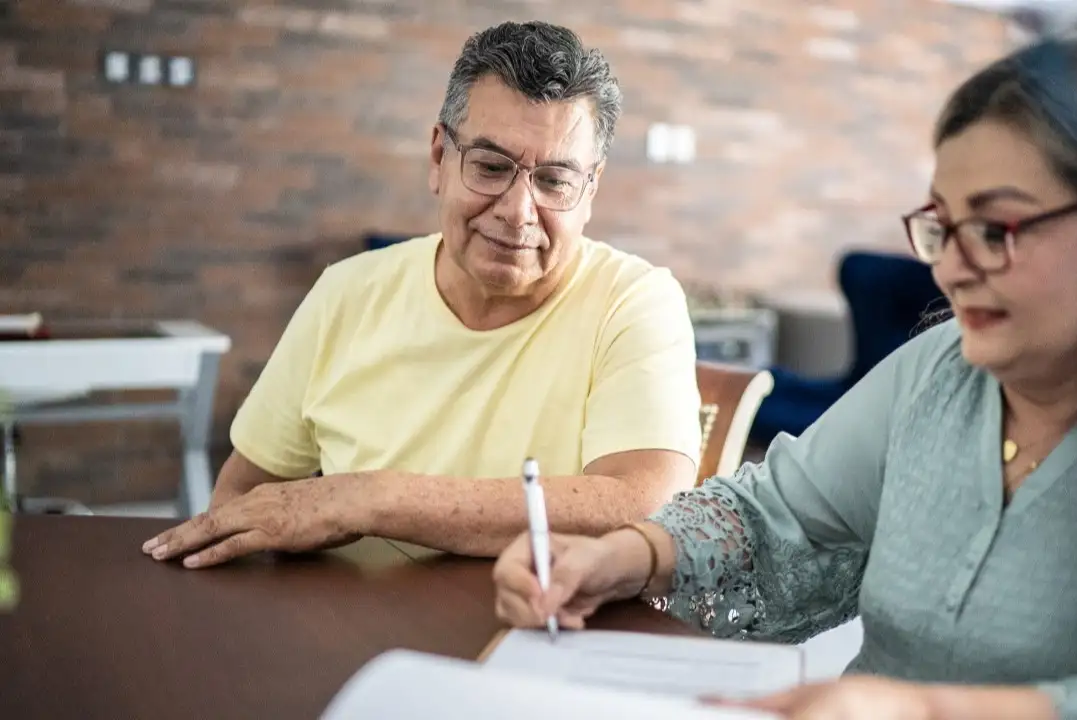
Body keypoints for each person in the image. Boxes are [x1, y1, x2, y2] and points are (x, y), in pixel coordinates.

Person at [493, 19, 1077, 720]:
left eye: (993, 229)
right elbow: (775, 515)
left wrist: (920, 711)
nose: (951, 269)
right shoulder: (937, 372)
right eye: (942, 226)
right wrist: (622, 557)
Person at [140, 21, 703, 567]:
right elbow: (241, 498)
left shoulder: (634, 302)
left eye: (554, 180)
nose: (518, 211)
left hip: (533, 645)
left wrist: (371, 499)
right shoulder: (348, 292)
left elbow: (645, 506)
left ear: (590, 190)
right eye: (489, 166)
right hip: (348, 640)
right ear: (440, 158)